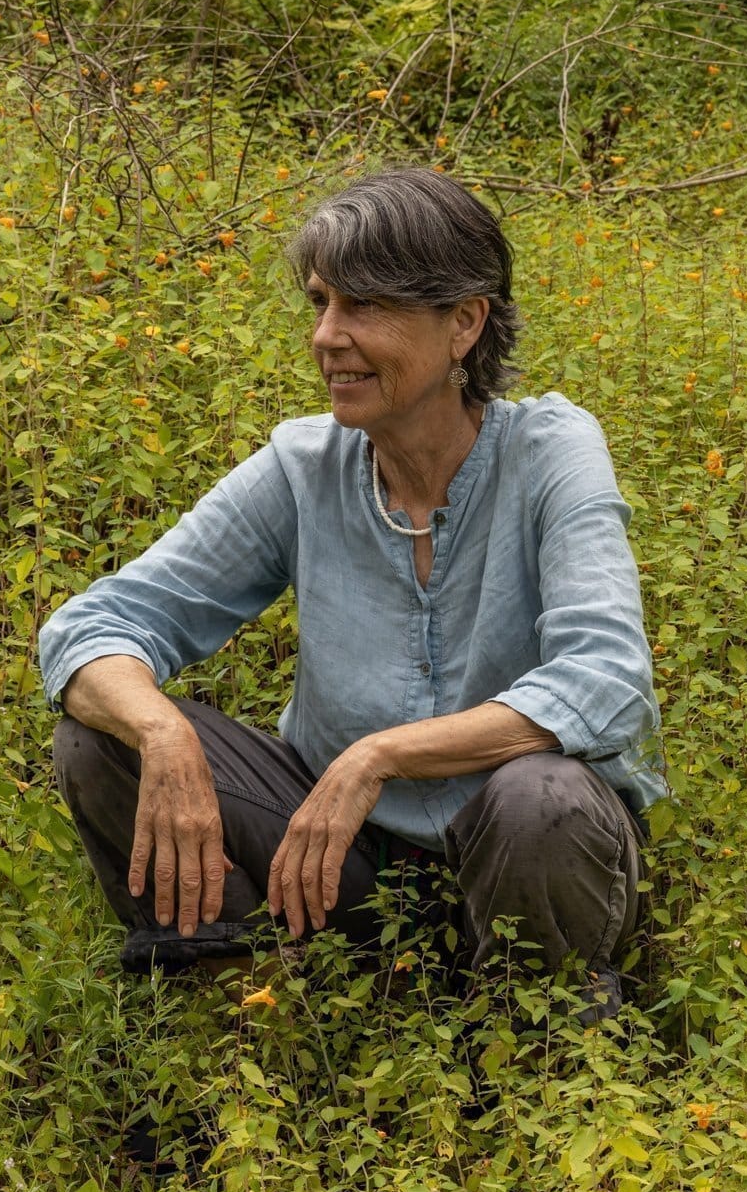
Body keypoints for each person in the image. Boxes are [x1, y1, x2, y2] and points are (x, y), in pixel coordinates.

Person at [39, 167, 665, 1026]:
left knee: (540, 798)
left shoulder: (553, 452)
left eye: (364, 307)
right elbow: (91, 626)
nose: (328, 336)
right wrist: (159, 727)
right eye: (322, 303)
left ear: (464, 323)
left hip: (522, 850)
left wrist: (380, 755)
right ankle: (244, 1028)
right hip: (342, 862)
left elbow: (607, 682)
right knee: (100, 740)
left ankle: (540, 1054)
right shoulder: (305, 467)